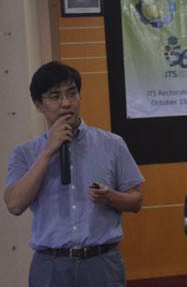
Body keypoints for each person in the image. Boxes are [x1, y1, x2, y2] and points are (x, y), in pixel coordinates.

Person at [4, 61, 144, 287]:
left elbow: (136, 201)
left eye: (72, 93)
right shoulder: (25, 153)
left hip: (101, 262)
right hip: (50, 265)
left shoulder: (112, 144)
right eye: (55, 96)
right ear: (39, 105)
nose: (66, 103)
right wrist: (48, 152)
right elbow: (15, 205)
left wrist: (110, 196)